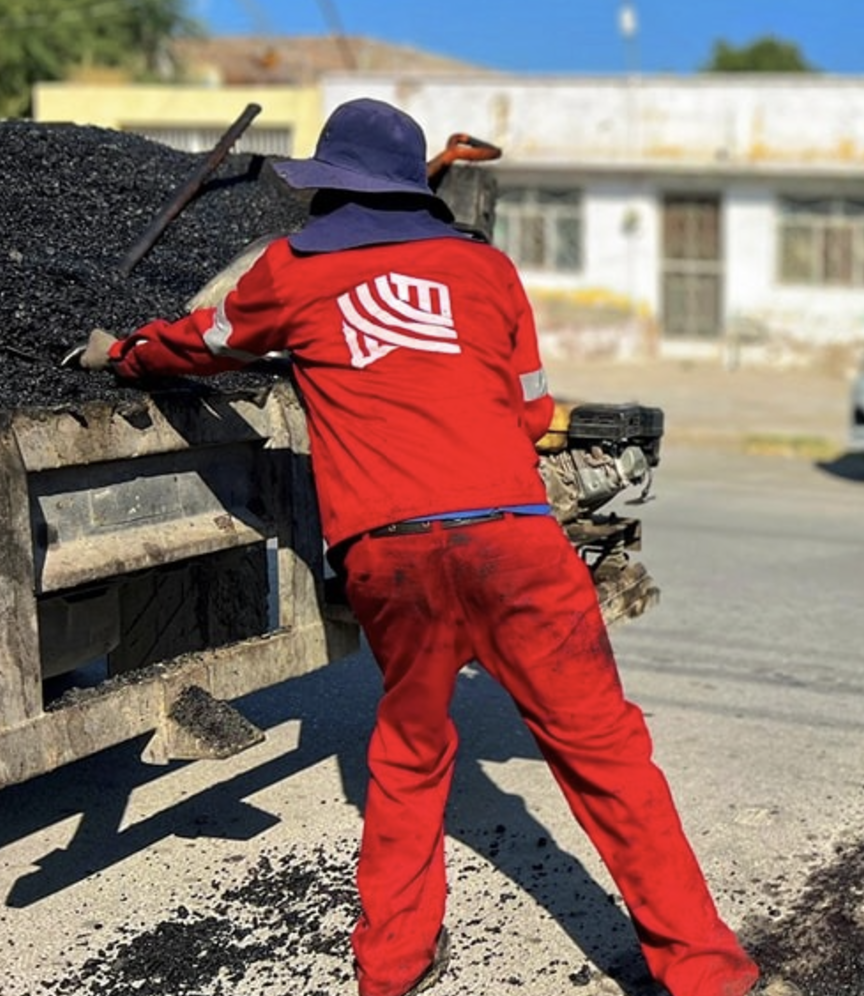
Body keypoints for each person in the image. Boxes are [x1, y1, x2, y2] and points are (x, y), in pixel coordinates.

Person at [77, 98, 767, 996]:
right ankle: (708, 975)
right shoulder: (489, 272)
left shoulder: (288, 272)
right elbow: (526, 409)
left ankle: (394, 966)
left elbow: (200, 344)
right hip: (515, 544)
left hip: (392, 554)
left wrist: (120, 355)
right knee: (607, 756)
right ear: (416, 190)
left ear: (326, 188)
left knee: (409, 749)